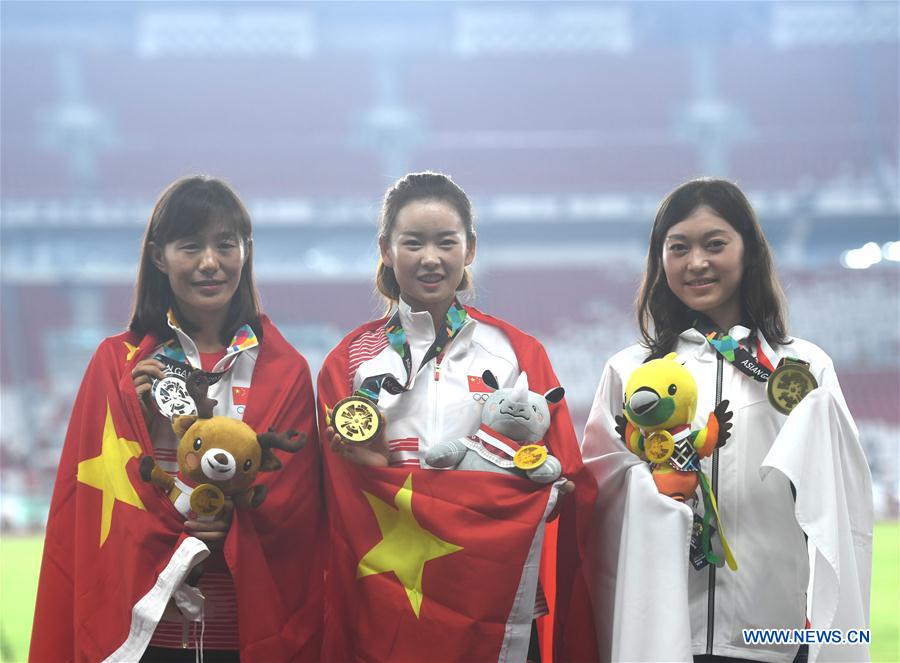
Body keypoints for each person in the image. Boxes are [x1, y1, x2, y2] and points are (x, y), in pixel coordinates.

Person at [30, 175, 326, 662]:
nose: (210, 263)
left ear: (246, 252)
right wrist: (137, 422)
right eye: (190, 246)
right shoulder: (115, 365)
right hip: (141, 631)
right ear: (159, 256)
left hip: (243, 633)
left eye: (225, 245)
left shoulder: (286, 370)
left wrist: (236, 519)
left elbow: (298, 509)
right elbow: (85, 508)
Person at [581, 178, 873, 662]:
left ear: (749, 251)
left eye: (714, 244)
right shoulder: (627, 371)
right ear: (661, 260)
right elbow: (599, 500)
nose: (696, 262)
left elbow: (838, 504)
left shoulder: (802, 369)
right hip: (662, 635)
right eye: (679, 247)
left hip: (774, 639)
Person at [316, 172, 598, 662]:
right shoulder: (350, 362)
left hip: (496, 599)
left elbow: (561, 478)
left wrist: (536, 492)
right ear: (386, 249)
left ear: (469, 250)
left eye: (446, 242)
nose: (431, 258)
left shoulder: (517, 352)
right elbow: (334, 498)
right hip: (390, 602)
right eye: (413, 242)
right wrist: (373, 464)